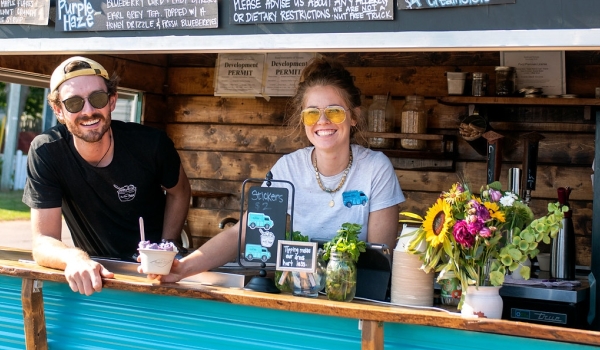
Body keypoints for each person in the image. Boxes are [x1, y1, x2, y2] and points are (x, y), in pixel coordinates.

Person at [151, 57, 404, 282]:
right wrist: (183, 268)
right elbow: (244, 231)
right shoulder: (288, 168)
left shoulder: (375, 168)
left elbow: (379, 257)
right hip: (297, 292)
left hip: (352, 296)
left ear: (354, 117)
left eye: (335, 112)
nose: (322, 121)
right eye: (312, 113)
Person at [23, 56, 191, 295]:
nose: (89, 111)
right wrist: (74, 259)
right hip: (98, 274)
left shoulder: (151, 144)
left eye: (97, 99)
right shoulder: (47, 151)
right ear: (59, 111)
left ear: (112, 101)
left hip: (159, 277)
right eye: (73, 104)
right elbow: (42, 242)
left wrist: (167, 246)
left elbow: (180, 191)